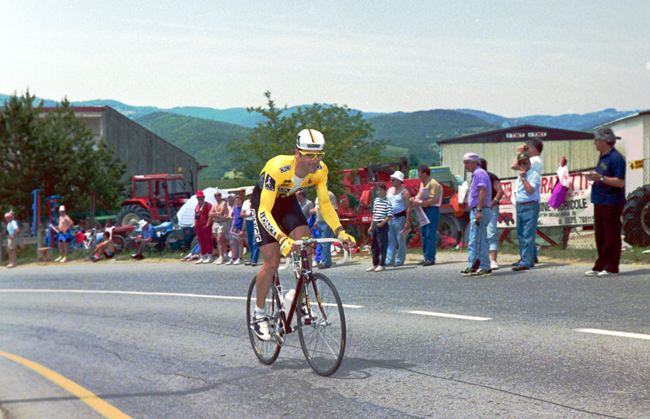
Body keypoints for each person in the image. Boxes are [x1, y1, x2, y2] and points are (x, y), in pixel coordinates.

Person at [251, 128, 356, 341]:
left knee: (305, 241)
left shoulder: (321, 170)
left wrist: (340, 231)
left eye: (318, 155)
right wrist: (281, 238)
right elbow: (264, 211)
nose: (314, 160)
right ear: (297, 153)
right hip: (265, 206)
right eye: (309, 155)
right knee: (271, 263)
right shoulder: (277, 167)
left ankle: (302, 301)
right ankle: (259, 313)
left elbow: (325, 204)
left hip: (288, 202)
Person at [585, 127, 626, 277]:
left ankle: (612, 266)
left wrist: (601, 178)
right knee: (600, 235)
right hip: (600, 200)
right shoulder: (603, 157)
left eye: (595, 140)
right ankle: (600, 265)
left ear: (604, 140)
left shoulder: (616, 158)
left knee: (612, 235)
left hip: (611, 202)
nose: (593, 142)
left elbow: (620, 182)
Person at [511, 137, 544, 266]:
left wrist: (519, 152)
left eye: (525, 162)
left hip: (529, 203)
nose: (522, 164)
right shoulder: (530, 165)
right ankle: (530, 257)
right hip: (521, 203)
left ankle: (526, 260)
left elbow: (514, 165)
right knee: (522, 234)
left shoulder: (534, 162)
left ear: (533, 149)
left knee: (527, 234)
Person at [460, 153, 493, 277]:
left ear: (475, 162)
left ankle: (485, 266)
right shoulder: (476, 174)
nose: (465, 165)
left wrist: (478, 210)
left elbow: (482, 192)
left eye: (467, 162)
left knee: (479, 240)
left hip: (480, 210)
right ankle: (473, 265)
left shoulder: (479, 174)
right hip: (476, 210)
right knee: (473, 240)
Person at [410, 165, 442, 267]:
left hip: (431, 210)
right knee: (424, 234)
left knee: (430, 235)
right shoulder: (422, 184)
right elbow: (419, 196)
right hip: (423, 210)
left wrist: (419, 202)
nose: (418, 175)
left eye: (419, 173)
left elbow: (434, 200)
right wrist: (414, 200)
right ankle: (426, 257)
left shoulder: (434, 184)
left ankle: (430, 258)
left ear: (425, 173)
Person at [480, 158, 504, 270]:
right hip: (480, 208)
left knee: (491, 232)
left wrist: (492, 203)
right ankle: (483, 260)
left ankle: (493, 260)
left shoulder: (491, 177)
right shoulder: (477, 177)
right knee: (480, 234)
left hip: (490, 207)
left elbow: (500, 191)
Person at [385, 171, 412, 267]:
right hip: (390, 218)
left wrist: (407, 221)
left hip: (400, 218)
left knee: (400, 240)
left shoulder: (405, 192)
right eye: (391, 179)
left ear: (400, 181)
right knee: (390, 239)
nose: (391, 181)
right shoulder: (389, 191)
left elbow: (408, 208)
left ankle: (400, 259)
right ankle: (390, 259)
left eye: (394, 179)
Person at [367, 182, 393, 272]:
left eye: (381, 190)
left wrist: (382, 223)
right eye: (378, 190)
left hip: (382, 225)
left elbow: (390, 215)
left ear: (385, 191)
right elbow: (374, 214)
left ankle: (382, 264)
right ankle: (375, 264)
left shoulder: (387, 202)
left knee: (382, 245)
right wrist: (371, 226)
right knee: (374, 245)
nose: (379, 192)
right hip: (375, 224)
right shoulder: (376, 201)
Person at [312, 188, 339, 269]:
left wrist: (332, 223)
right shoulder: (318, 197)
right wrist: (316, 221)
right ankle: (323, 260)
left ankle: (326, 262)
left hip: (327, 221)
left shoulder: (330, 195)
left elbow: (334, 209)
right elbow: (318, 210)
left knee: (325, 243)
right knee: (321, 243)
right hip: (320, 222)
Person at [192, 190, 213, 264]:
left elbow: (211, 215)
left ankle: (210, 256)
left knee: (207, 241)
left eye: (201, 197)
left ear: (204, 197)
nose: (199, 199)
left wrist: (208, 224)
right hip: (198, 226)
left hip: (205, 226)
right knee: (201, 242)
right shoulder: (197, 206)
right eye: (198, 197)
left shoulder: (208, 205)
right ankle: (203, 256)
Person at [208, 190, 229, 264]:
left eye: (218, 195)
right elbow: (210, 214)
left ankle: (221, 256)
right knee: (218, 240)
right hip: (216, 222)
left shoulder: (223, 203)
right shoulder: (214, 204)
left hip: (222, 222)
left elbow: (221, 212)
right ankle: (224, 254)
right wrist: (216, 214)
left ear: (220, 196)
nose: (217, 197)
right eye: (215, 195)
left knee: (219, 239)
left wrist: (215, 214)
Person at [240, 187, 259, 266]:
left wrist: (247, 214)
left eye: (250, 195)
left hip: (255, 222)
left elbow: (253, 212)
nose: (249, 197)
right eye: (248, 195)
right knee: (250, 242)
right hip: (248, 222)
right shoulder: (245, 202)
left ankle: (254, 259)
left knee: (255, 241)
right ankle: (251, 258)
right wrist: (247, 214)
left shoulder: (257, 202)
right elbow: (241, 214)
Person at [227, 195, 244, 265]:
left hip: (240, 227)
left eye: (238, 200)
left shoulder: (242, 208)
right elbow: (234, 218)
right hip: (235, 227)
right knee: (233, 242)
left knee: (240, 242)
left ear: (241, 201)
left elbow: (244, 219)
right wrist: (231, 228)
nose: (236, 202)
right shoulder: (235, 208)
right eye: (236, 201)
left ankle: (240, 258)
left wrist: (243, 230)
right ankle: (233, 258)